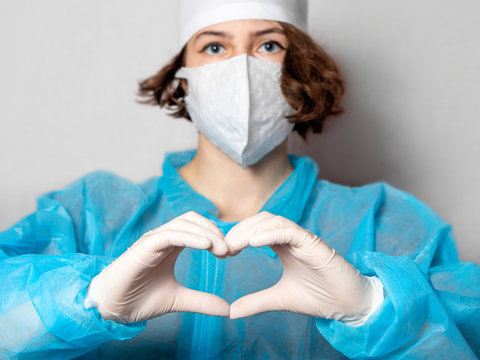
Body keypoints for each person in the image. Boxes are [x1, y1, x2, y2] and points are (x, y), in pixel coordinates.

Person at [0, 0, 479, 359]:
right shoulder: (90, 213)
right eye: (214, 46)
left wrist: (377, 307)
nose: (241, 68)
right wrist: (84, 302)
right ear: (182, 78)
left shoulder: (388, 222)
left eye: (268, 45)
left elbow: (464, 334)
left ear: (301, 69)